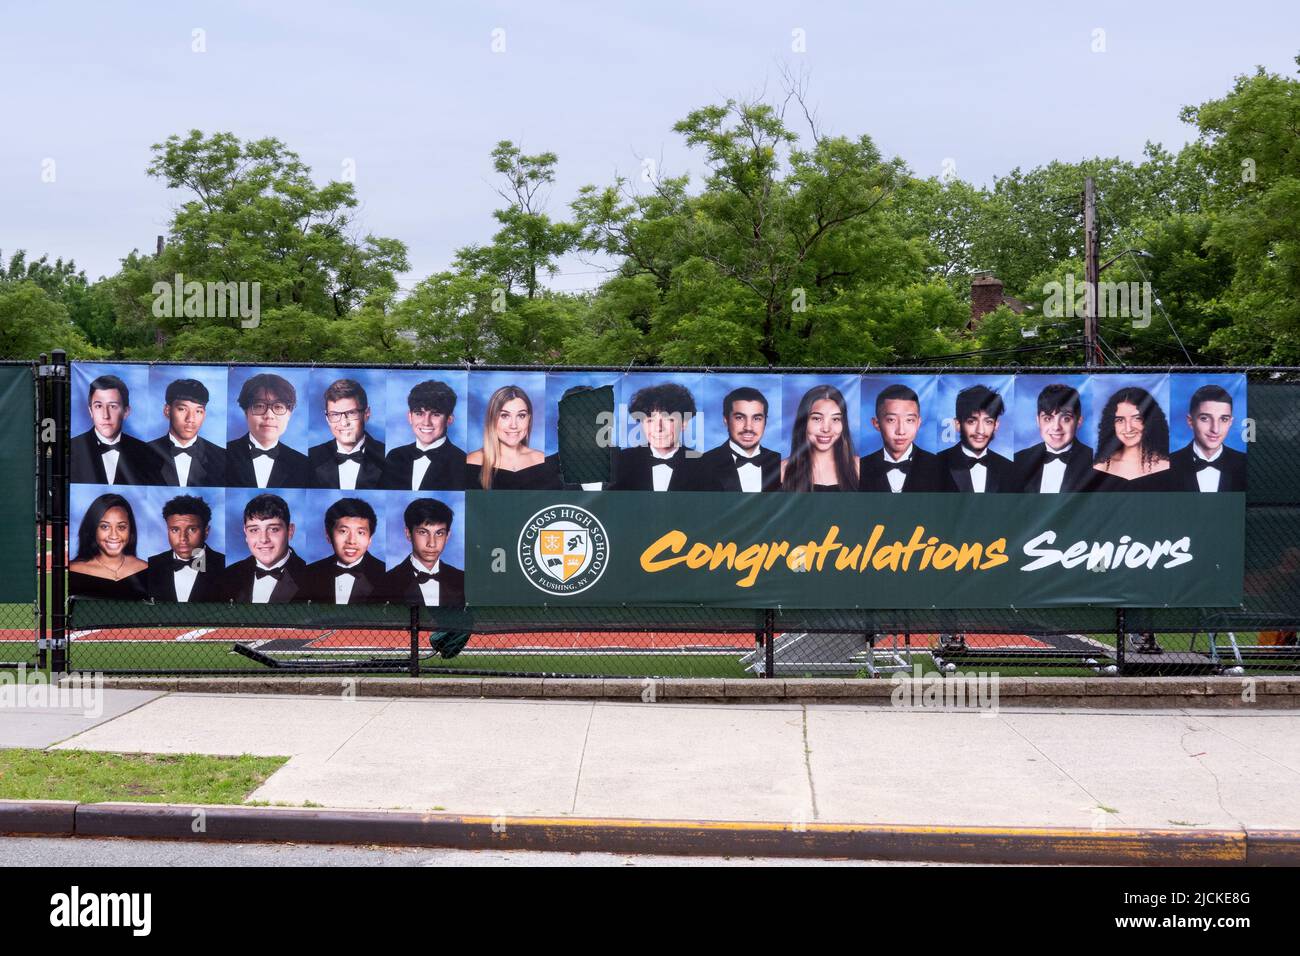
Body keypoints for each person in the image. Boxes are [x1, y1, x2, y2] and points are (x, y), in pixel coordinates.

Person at [858, 384, 956, 492]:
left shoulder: (939, 467)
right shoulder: (860, 468)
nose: (901, 431)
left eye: (909, 420)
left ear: (918, 423)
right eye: (891, 420)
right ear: (876, 423)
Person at [70, 374, 162, 486]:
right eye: (98, 406)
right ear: (90, 411)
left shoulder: (146, 453)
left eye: (113, 406)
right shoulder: (73, 448)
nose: (105, 415)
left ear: (126, 411)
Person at [466, 384, 562, 490]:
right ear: (492, 418)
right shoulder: (472, 462)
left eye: (521, 416)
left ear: (529, 419)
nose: (513, 425)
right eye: (504, 416)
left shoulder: (542, 461)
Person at [225, 373, 310, 488]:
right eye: (260, 406)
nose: (269, 415)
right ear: (246, 412)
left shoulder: (303, 464)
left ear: (289, 414)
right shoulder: (223, 456)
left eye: (278, 407)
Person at [610, 383, 700, 491]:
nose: (658, 428)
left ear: (684, 423)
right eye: (650, 420)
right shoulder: (621, 462)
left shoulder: (702, 465)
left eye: (668, 419)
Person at [381, 380, 467, 491]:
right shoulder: (395, 457)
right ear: (410, 417)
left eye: (435, 414)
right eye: (419, 413)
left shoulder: (461, 462)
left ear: (449, 419)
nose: (426, 422)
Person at [221, 493, 308, 602]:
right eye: (254, 530)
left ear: (290, 531)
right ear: (246, 533)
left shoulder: (310, 577)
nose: (263, 539)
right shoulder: (228, 576)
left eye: (273, 529)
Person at [303, 497, 388, 604]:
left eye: (360, 532)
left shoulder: (387, 576)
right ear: (328, 535)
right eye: (343, 531)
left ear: (370, 538)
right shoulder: (309, 574)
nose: (351, 541)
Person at [1012, 384, 1095, 493]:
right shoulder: (1018, 461)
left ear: (1078, 421)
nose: (1056, 427)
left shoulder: (1096, 462)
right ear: (1038, 421)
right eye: (1048, 418)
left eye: (1066, 419)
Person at [696, 386, 781, 493]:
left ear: (765, 422)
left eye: (757, 418)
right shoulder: (704, 465)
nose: (748, 427)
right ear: (726, 420)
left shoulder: (779, 462)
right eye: (740, 417)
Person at [382, 498, 465, 607]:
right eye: (423, 532)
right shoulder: (387, 583)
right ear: (408, 533)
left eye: (439, 533)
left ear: (447, 536)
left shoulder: (463, 580)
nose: (432, 543)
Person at [1090, 385, 1173, 491]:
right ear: (1111, 424)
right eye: (1120, 420)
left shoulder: (1166, 465)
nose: (1128, 428)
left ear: (1150, 421)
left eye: (1137, 418)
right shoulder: (1100, 467)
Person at [308, 378, 386, 490]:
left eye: (351, 413)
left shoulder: (386, 457)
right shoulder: (311, 458)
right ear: (327, 418)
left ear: (366, 414)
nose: (344, 423)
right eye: (335, 414)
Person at [146, 378, 226, 488]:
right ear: (167, 411)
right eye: (182, 409)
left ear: (204, 414)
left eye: (198, 411)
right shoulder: (145, 452)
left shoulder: (221, 457)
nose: (190, 419)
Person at [145, 494, 226, 602]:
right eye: (175, 530)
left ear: (206, 532)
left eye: (192, 529)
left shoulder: (225, 567)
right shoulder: (149, 566)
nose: (183, 538)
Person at [68, 492, 149, 599]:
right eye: (105, 527)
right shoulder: (74, 569)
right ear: (92, 529)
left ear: (130, 530)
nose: (113, 535)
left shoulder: (146, 569)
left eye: (121, 527)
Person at [936, 385, 1015, 493]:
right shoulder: (936, 464)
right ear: (958, 424)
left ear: (996, 426)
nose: (980, 431)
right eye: (972, 421)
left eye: (988, 422)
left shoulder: (1009, 469)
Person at [1168, 384, 1247, 492]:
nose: (1215, 429)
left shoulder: (1245, 464)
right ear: (1190, 421)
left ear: (1230, 422)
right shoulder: (1167, 465)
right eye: (1205, 418)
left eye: (1223, 419)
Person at [780, 385, 859, 492]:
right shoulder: (782, 470)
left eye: (835, 419)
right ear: (803, 422)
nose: (826, 429)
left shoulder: (858, 467)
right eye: (817, 418)